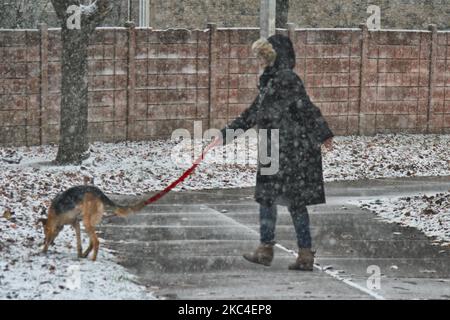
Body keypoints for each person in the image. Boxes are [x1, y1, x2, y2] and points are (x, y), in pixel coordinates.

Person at [215, 34, 334, 271]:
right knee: (280, 200)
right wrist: (226, 134)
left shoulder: (285, 78)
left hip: (288, 147)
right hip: (277, 145)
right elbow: (256, 112)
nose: (259, 60)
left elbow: (303, 107)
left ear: (274, 55)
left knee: (281, 199)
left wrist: (323, 133)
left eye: (263, 55)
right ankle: (291, 252)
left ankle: (281, 251)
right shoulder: (272, 79)